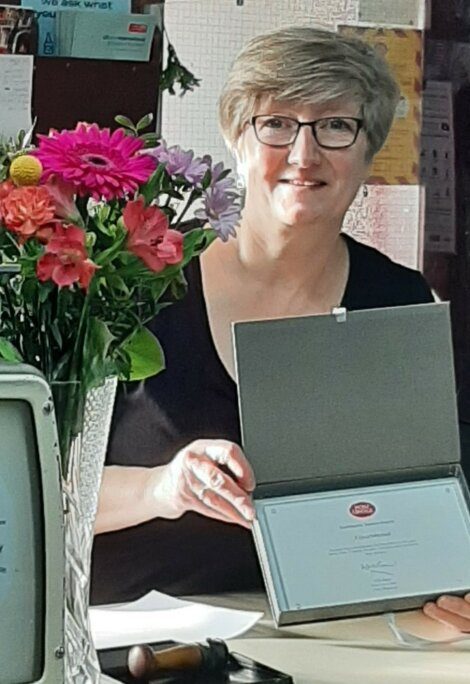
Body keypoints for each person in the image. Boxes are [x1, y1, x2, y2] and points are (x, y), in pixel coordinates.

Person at [91, 26, 470, 633]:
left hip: (324, 638)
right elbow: (38, 489)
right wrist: (162, 488)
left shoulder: (397, 303)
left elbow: (421, 499)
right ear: (235, 138)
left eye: (336, 127)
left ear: (370, 152)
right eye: (277, 125)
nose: (303, 154)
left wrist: (453, 579)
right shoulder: (132, 286)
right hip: (129, 641)